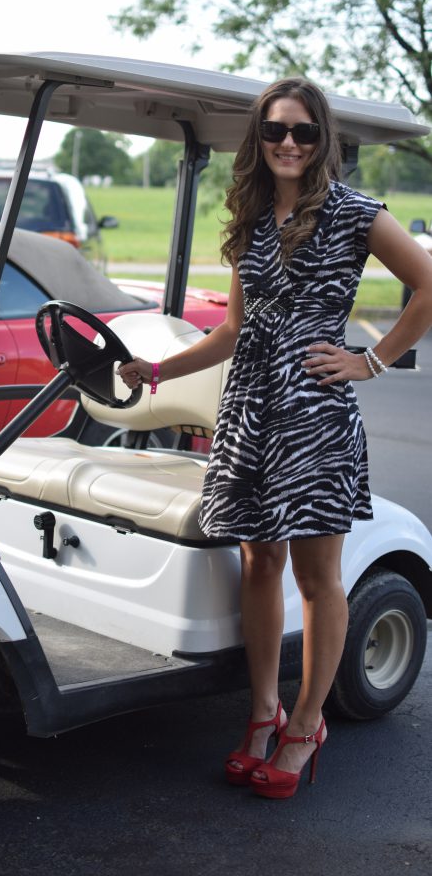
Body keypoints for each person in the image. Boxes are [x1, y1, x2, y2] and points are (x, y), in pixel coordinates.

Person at [117, 78, 432, 800]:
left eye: (303, 132)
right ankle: (263, 711)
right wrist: (156, 370)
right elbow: (231, 329)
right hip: (250, 412)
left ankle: (305, 722)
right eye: (274, 130)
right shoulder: (252, 217)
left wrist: (369, 360)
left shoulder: (356, 213)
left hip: (313, 415)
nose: (288, 143)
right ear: (256, 138)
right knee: (258, 565)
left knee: (317, 580)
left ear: (322, 140)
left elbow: (425, 285)